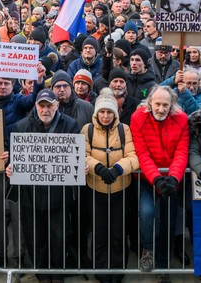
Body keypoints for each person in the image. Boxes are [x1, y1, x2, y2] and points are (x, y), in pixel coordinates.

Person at [5, 88, 81, 282]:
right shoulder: (20, 127)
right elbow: (13, 155)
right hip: (31, 195)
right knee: (34, 237)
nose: (45, 110)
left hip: (58, 196)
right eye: (42, 105)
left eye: (49, 105)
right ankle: (42, 274)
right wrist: (9, 166)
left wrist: (80, 167)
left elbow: (76, 156)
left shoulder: (71, 125)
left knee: (59, 236)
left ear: (57, 106)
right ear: (36, 106)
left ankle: (58, 274)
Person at [80, 89, 139, 283]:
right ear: (96, 113)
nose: (106, 116)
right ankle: (101, 270)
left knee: (117, 232)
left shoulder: (124, 130)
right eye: (102, 112)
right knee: (99, 232)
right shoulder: (87, 129)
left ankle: (118, 269)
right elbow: (82, 154)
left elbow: (133, 156)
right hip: (95, 189)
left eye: (109, 112)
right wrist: (97, 167)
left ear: (115, 113)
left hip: (120, 189)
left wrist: (117, 169)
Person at [130, 85, 189, 275]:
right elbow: (142, 152)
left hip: (172, 177)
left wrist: (173, 177)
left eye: (165, 105)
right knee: (147, 212)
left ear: (172, 105)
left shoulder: (181, 119)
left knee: (168, 220)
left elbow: (181, 151)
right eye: (157, 104)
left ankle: (163, 262)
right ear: (150, 103)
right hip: (148, 178)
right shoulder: (138, 117)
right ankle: (147, 250)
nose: (161, 109)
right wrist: (155, 178)